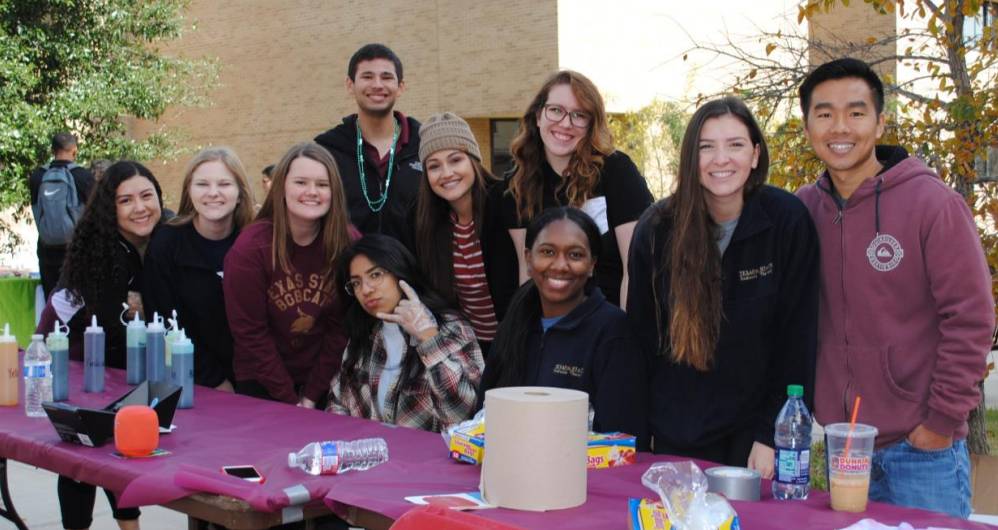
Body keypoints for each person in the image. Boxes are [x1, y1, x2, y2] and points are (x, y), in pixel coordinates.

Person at [796, 58, 994, 518]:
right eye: (824, 114)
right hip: (844, 450)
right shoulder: (803, 210)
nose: (839, 126)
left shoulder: (932, 204)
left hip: (922, 451)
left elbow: (972, 318)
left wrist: (940, 423)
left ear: (881, 121)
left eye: (856, 112)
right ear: (808, 126)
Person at [627, 96, 819, 476]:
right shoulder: (656, 228)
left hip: (755, 439)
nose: (721, 159)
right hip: (675, 436)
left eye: (735, 145)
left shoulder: (787, 221)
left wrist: (771, 435)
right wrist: (639, 439)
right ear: (690, 158)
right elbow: (640, 342)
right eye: (706, 147)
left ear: (755, 154)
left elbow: (798, 340)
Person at [36, 160, 163, 530]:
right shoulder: (103, 252)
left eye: (146, 196)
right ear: (111, 209)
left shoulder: (160, 242)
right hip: (76, 364)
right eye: (126, 201)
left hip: (116, 368)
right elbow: (100, 325)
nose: (139, 207)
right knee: (83, 461)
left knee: (110, 455)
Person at [480, 207, 648, 444]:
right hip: (508, 470)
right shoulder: (514, 323)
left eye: (575, 255)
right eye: (548, 252)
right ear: (528, 259)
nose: (560, 265)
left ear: (592, 265)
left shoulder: (613, 332)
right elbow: (483, 416)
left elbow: (623, 440)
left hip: (584, 477)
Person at [501, 70, 653, 308]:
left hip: (610, 323)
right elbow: (528, 274)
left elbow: (634, 269)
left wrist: (624, 338)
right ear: (538, 115)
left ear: (591, 125)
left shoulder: (617, 171)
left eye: (578, 115)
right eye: (555, 110)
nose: (565, 123)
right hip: (552, 326)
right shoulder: (518, 183)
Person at [223, 142, 356, 408]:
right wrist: (288, 400)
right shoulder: (251, 248)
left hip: (324, 379)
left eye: (322, 184)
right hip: (261, 380)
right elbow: (250, 333)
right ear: (281, 187)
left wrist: (309, 397)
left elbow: (341, 329)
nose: (312, 192)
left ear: (334, 192)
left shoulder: (347, 243)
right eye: (301, 182)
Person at [327, 234, 484, 432]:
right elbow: (337, 402)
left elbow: (465, 416)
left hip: (430, 460)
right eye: (356, 283)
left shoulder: (451, 327)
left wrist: (429, 339)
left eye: (375, 275)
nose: (365, 290)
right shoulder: (364, 334)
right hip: (368, 457)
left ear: (399, 272)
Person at [142, 147, 256, 392]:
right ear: (189, 192)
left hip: (255, 381)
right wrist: (215, 381)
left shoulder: (256, 243)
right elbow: (165, 322)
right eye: (202, 184)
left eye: (224, 184)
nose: (213, 193)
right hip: (189, 379)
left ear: (239, 194)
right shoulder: (166, 245)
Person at [414, 112, 518, 353]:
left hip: (514, 342)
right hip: (467, 348)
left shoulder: (505, 205)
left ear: (473, 160)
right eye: (434, 166)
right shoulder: (429, 223)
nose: (446, 173)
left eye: (455, 160)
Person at [315, 43, 422, 243]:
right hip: (348, 270)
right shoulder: (327, 150)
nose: (377, 85)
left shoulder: (425, 144)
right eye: (367, 76)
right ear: (350, 85)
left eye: (387, 77)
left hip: (416, 271)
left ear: (400, 87)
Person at [28, 132, 96, 299]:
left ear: (53, 150)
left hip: (46, 250)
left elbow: (37, 209)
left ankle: (52, 326)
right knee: (78, 303)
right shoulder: (83, 176)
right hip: (77, 251)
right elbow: (95, 212)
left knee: (52, 300)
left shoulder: (37, 176)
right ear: (74, 150)